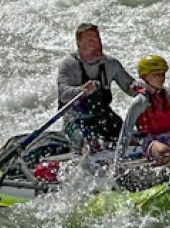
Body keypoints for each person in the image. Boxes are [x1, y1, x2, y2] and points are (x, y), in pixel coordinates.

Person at [55, 23, 137, 151]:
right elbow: (63, 94)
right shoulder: (69, 65)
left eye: (98, 39)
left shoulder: (111, 64)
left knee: (128, 141)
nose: (97, 45)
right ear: (79, 43)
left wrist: (138, 88)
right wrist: (82, 90)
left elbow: (129, 86)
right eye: (91, 41)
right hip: (76, 119)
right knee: (89, 146)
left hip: (104, 117)